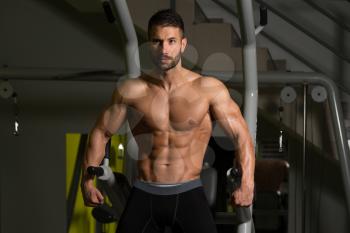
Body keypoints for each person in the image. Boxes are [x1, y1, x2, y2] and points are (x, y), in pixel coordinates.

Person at [81, 9, 255, 233]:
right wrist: (86, 183)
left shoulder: (208, 89)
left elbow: (241, 136)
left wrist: (247, 183)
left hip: (189, 192)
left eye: (171, 41)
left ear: (183, 44)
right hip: (144, 192)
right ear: (149, 44)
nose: (164, 49)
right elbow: (101, 132)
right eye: (157, 41)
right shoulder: (131, 90)